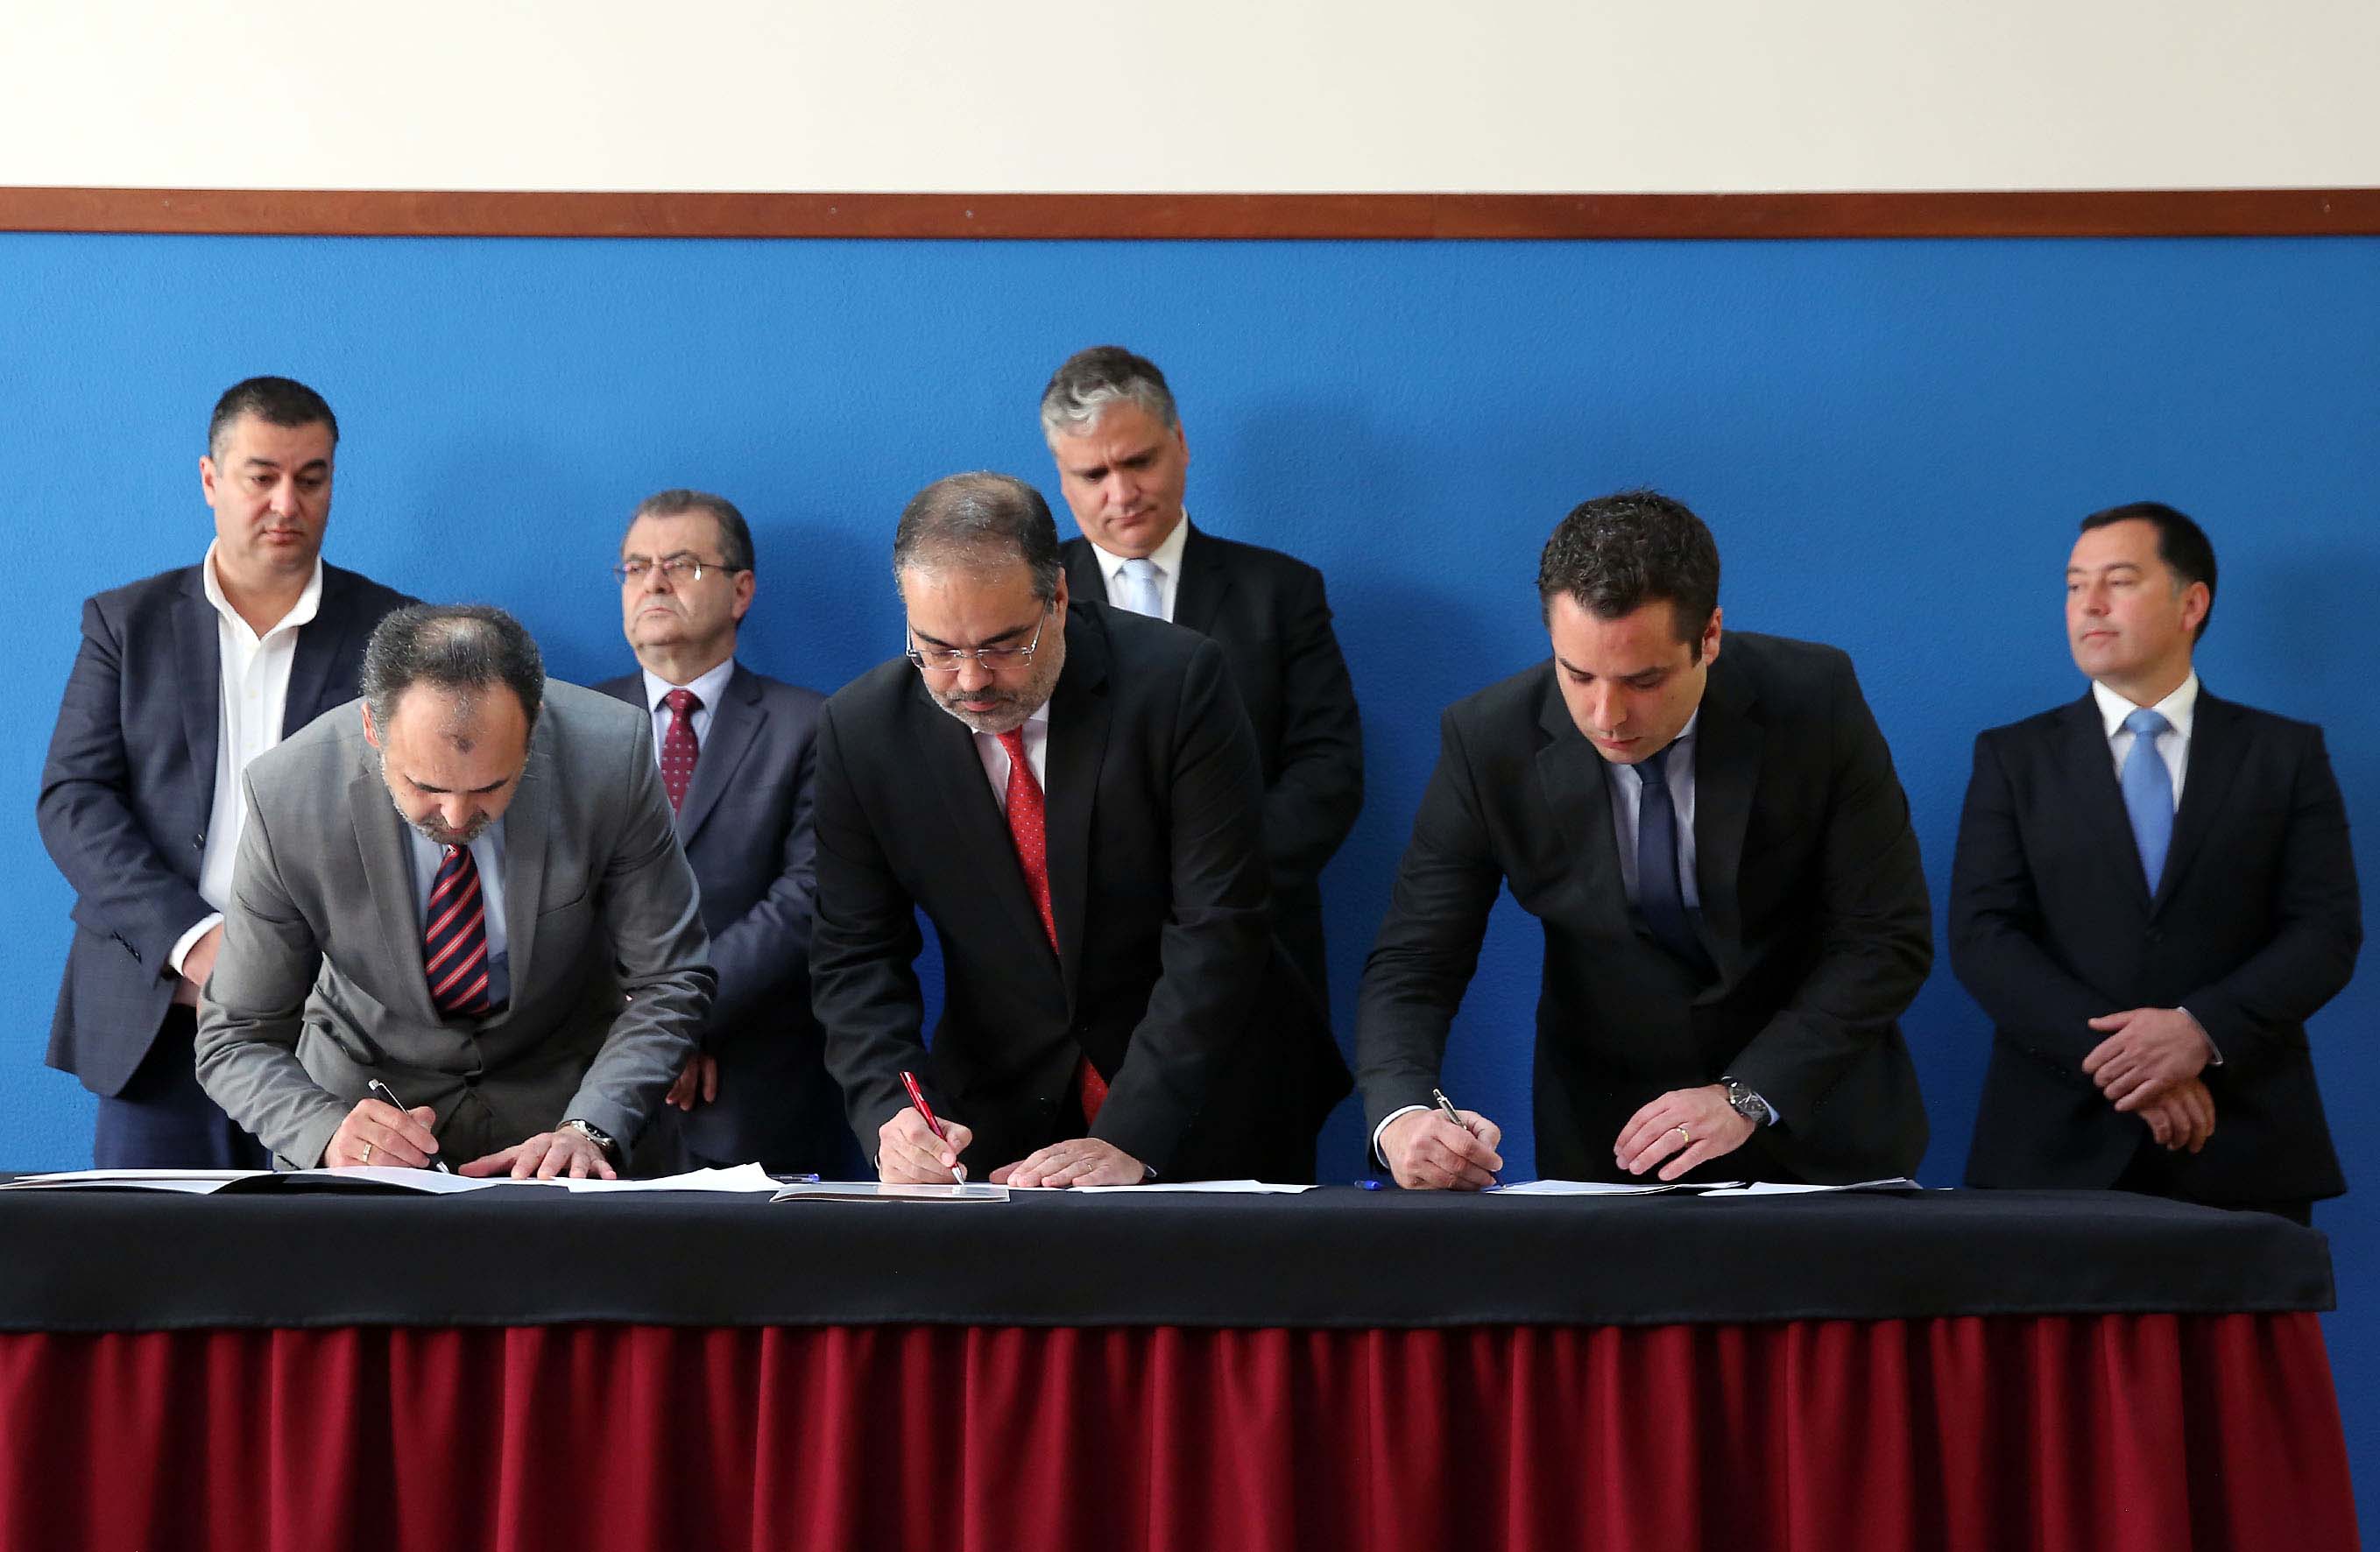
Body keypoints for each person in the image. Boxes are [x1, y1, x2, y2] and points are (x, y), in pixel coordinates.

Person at [1356, 490, 1932, 1189]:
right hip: (1608, 1137)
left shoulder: (1814, 699)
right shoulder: (1487, 740)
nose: (1606, 715)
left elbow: (1883, 938)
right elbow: (1417, 957)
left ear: (1709, 636)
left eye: (1644, 680)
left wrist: (1746, 1095)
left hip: (1817, 1119)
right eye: (1577, 674)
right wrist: (1402, 1114)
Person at [810, 471, 1350, 1186]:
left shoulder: (1177, 682)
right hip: (1001, 1116)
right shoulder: (862, 731)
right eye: (937, 649)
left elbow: (1218, 924)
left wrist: (1132, 1133)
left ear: (1058, 599)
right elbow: (854, 956)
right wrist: (894, 1108)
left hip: (1205, 1100)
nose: (970, 681)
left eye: (1003, 646)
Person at [194, 605, 713, 1177]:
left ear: (533, 728)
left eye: (491, 786)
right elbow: (235, 1036)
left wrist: (591, 1125)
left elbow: (669, 980)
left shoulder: (612, 757)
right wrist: (324, 1130)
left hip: (566, 1116)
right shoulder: (288, 794)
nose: (457, 816)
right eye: (425, 786)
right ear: (372, 728)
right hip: (366, 1125)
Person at [39, 376, 413, 1168]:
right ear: (210, 479)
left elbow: (420, 816)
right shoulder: (126, 623)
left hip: (332, 1028)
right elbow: (73, 799)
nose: (286, 503)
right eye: (261, 476)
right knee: (149, 1243)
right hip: (157, 1014)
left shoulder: (396, 633)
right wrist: (196, 940)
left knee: (322, 1245)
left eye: (311, 479)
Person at [1952, 502, 2359, 1224]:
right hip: (2052, 1145)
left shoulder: (2283, 754)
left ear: (2190, 604)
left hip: (2241, 1138)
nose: (2089, 605)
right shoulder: (2014, 758)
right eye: (2074, 585)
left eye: (2117, 581)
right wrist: (2130, 1065)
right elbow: (1983, 937)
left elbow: (2325, 931)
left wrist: (2198, 1032)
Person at [1042, 346, 1362, 1005]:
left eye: (1139, 461)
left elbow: (1328, 771)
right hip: (1082, 967)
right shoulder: (1030, 605)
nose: (1121, 494)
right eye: (1093, 473)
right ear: (1062, 480)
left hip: (1257, 953)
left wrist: (1214, 887)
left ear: (1180, 443)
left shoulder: (1282, 593)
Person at [595, 489, 851, 1175]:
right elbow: (549, 900)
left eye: (680, 565)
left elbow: (805, 899)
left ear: (740, 591)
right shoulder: (571, 724)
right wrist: (644, 1035)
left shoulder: (811, 725)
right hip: (595, 1082)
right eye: (636, 567)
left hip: (752, 1081)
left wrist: (679, 1018)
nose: (652, 583)